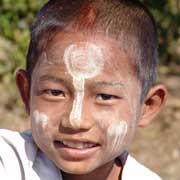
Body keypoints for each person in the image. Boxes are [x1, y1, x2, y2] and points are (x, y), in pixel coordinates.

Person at [0, 0, 167, 179]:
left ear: (147, 106)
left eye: (104, 96)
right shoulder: (9, 162)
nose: (75, 120)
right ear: (26, 93)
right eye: (55, 93)